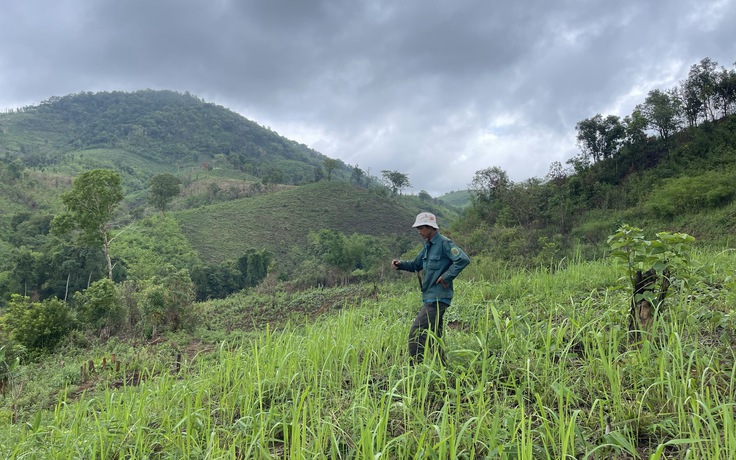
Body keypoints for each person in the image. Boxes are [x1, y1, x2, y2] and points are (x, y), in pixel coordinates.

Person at [392, 212, 470, 364]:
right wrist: (400, 264)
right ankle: (442, 365)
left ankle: (415, 368)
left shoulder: (444, 243)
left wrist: (446, 276)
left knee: (417, 331)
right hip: (429, 296)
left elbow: (463, 259)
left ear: (430, 227)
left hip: (438, 297)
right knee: (434, 333)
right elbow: (416, 265)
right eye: (418, 228)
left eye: (421, 228)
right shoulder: (428, 246)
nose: (419, 231)